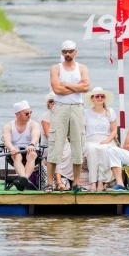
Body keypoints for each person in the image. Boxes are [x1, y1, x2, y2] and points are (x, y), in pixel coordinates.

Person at [46, 40, 90, 191]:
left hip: (77, 107)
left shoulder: (82, 68)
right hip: (60, 107)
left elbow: (86, 88)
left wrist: (67, 84)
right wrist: (77, 87)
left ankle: (76, 183)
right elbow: (57, 90)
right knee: (55, 145)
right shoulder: (55, 68)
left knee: (77, 145)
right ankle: (49, 183)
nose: (67, 54)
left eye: (70, 51)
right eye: (65, 51)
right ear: (61, 52)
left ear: (75, 52)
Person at [82, 87, 117, 192]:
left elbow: (114, 130)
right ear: (92, 98)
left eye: (102, 96)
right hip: (90, 140)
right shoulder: (86, 112)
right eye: (97, 96)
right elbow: (82, 130)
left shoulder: (109, 111)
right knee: (92, 149)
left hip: (106, 139)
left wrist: (107, 140)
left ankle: (101, 181)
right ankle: (93, 182)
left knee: (104, 149)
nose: (100, 98)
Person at [1, 100, 41, 182]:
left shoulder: (34, 124)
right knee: (17, 156)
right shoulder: (8, 126)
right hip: (15, 151)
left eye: (30, 112)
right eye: (26, 113)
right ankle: (24, 179)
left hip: (30, 149)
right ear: (17, 114)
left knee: (32, 154)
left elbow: (35, 135)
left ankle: (23, 179)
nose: (29, 115)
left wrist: (32, 144)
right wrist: (12, 148)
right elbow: (7, 140)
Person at [39, 92, 72, 187]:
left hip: (64, 142)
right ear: (48, 104)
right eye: (51, 101)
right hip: (50, 143)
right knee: (57, 152)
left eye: (57, 102)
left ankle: (72, 181)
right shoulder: (46, 116)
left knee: (73, 151)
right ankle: (58, 182)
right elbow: (48, 134)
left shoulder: (64, 116)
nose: (54, 104)